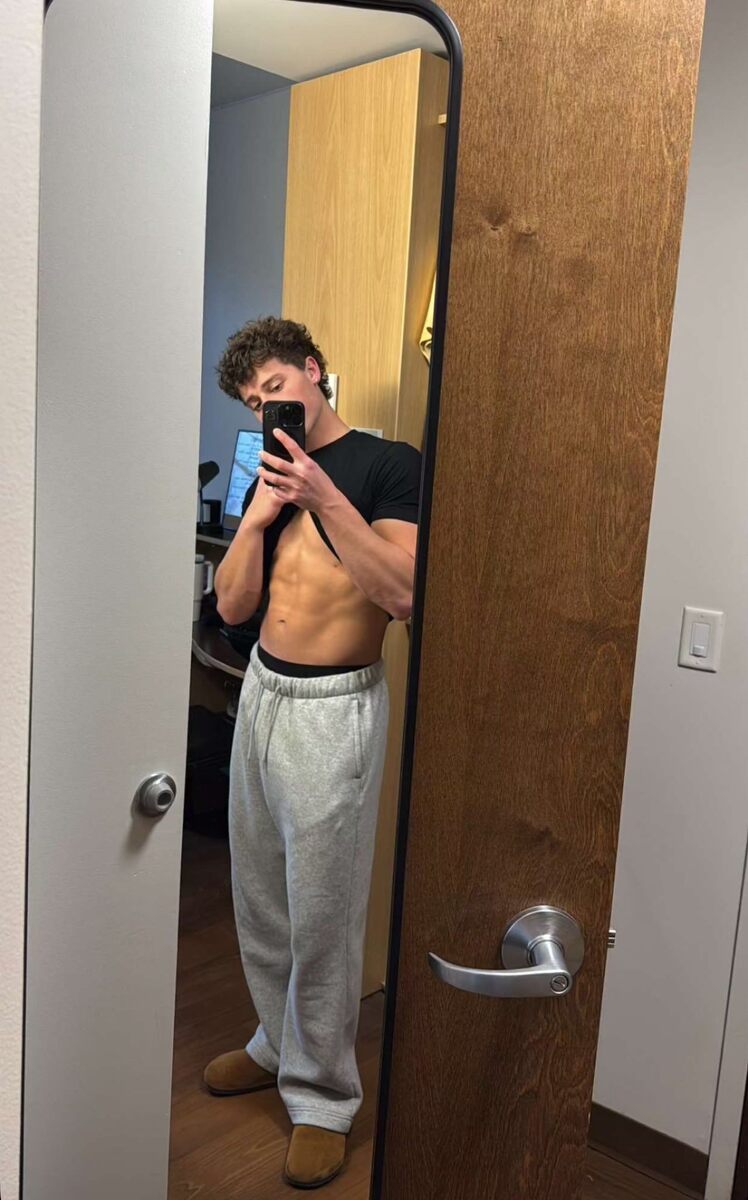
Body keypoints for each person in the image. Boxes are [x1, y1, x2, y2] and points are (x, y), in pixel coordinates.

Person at [203, 316, 421, 1189]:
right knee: (260, 898)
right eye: (253, 402)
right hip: (262, 690)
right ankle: (275, 1042)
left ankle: (325, 1096)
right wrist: (257, 519)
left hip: (335, 706)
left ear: (314, 371)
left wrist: (323, 495)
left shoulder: (387, 464)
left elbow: (402, 594)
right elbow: (230, 608)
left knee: (323, 914)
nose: (268, 408)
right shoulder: (267, 474)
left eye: (276, 388)